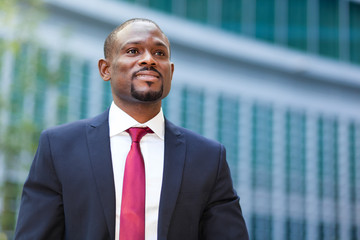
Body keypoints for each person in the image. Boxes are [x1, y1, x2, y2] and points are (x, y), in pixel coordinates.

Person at [14, 18, 249, 240]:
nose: (149, 60)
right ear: (105, 69)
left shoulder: (208, 158)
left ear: (171, 71)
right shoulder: (58, 146)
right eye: (133, 51)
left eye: (159, 53)